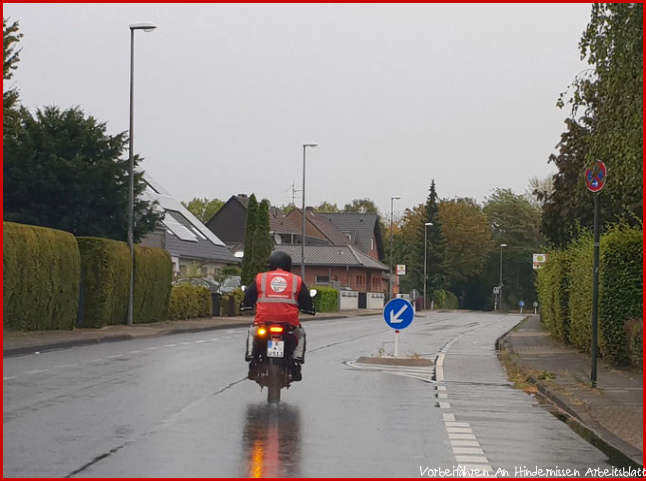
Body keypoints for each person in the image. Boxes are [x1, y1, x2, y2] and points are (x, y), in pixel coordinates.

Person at [242, 250, 315, 382]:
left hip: (264, 322)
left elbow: (249, 295)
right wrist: (310, 309)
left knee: (252, 333)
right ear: (289, 265)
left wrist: (245, 305)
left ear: (270, 264)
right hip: (289, 324)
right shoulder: (296, 280)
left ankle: (251, 356)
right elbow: (305, 299)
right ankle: (297, 360)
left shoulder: (261, 278)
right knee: (301, 335)